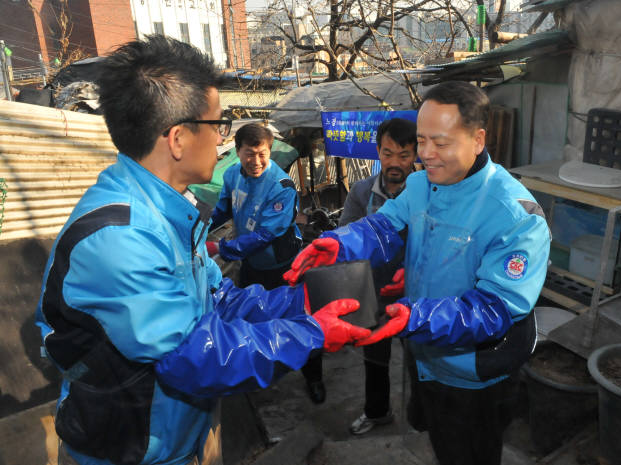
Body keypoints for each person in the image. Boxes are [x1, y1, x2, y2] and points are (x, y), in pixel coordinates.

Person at [35, 36, 370, 465]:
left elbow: (220, 300)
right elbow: (194, 354)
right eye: (218, 125)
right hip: (130, 451)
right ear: (177, 138)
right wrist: (312, 332)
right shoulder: (119, 238)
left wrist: (310, 299)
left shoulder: (170, 208)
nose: (222, 140)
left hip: (173, 439)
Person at [284, 81, 551, 465]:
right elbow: (384, 226)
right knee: (438, 439)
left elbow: (493, 311)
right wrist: (341, 243)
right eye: (422, 141)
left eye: (440, 143)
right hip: (424, 353)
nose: (425, 155)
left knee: (473, 452)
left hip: (474, 373)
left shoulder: (515, 216)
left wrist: (416, 316)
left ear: (477, 140)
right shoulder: (422, 184)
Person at [208, 123, 326, 404]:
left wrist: (220, 247)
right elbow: (222, 210)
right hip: (252, 265)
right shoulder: (232, 175)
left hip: (284, 265)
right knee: (252, 320)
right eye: (249, 154)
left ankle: (314, 378)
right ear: (237, 152)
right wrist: (197, 232)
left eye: (262, 153)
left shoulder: (281, 186)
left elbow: (266, 235)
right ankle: (262, 371)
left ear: (269, 151)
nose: (256, 161)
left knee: (300, 318)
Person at [338, 118, 418, 435]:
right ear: (378, 152)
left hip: (416, 292)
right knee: (375, 357)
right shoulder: (361, 191)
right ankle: (377, 411)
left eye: (404, 155)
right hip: (373, 291)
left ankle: (423, 415)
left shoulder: (429, 192)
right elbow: (345, 234)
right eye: (387, 154)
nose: (395, 163)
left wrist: (408, 269)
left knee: (420, 357)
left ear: (416, 155)